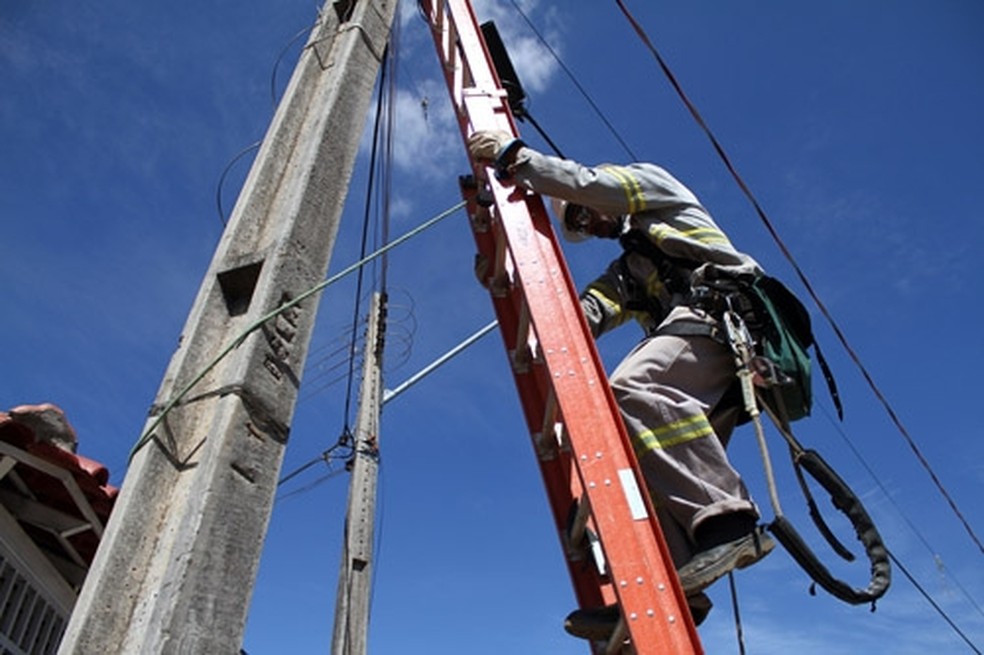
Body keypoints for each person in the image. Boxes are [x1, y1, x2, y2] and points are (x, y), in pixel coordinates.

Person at [467, 130, 776, 639]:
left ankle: (729, 525)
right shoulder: (629, 269)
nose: (591, 223)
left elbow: (589, 183)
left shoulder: (650, 187)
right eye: (583, 223)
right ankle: (675, 586)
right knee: (642, 456)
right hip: (707, 352)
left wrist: (512, 158)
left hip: (726, 314)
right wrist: (506, 276)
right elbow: (575, 315)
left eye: (585, 214)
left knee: (630, 390)